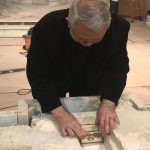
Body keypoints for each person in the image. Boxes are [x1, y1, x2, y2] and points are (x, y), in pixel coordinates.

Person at [26, 0, 130, 139]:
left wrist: (109, 102)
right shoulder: (48, 26)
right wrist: (60, 113)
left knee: (90, 108)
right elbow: (37, 73)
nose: (88, 45)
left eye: (95, 40)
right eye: (82, 39)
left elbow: (117, 68)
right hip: (57, 74)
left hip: (92, 75)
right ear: (69, 22)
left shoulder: (119, 27)